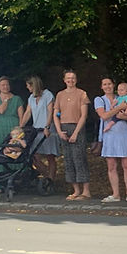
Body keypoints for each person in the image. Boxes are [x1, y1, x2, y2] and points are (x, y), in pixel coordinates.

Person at [94, 77, 127, 202]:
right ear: (101, 87)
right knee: (111, 166)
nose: (107, 86)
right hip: (109, 136)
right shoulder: (100, 100)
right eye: (105, 84)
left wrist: (124, 116)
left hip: (124, 134)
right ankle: (116, 194)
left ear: (113, 85)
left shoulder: (123, 96)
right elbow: (104, 116)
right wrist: (120, 108)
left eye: (109, 84)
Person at [53, 69, 92, 200]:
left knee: (79, 158)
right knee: (68, 159)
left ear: (76, 79)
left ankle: (86, 191)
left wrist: (76, 133)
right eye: (68, 78)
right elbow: (56, 114)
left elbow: (84, 115)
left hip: (77, 127)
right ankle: (76, 190)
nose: (71, 80)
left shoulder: (82, 94)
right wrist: (59, 131)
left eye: (73, 78)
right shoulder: (59, 95)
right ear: (64, 80)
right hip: (64, 127)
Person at [21, 75, 59, 184]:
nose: (28, 88)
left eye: (29, 86)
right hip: (36, 129)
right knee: (33, 155)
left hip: (47, 128)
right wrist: (21, 126)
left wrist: (47, 126)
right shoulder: (31, 98)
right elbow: (28, 112)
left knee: (50, 155)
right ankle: (46, 176)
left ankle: (51, 179)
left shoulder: (48, 95)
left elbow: (50, 112)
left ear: (33, 85)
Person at [0, 76, 24, 150]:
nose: (6, 87)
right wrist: (5, 100)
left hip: (14, 126)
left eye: (7, 84)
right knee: (0, 147)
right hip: (0, 126)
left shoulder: (17, 99)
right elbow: (0, 111)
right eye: (3, 85)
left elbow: (21, 116)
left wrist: (20, 129)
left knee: (15, 148)